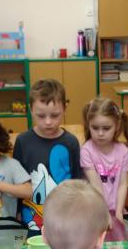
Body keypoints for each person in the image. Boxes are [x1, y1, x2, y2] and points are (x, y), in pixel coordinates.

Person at [12, 78, 82, 234]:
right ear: (31, 110)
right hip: (31, 219)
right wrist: (17, 212)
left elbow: (78, 181)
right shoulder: (23, 141)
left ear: (65, 108)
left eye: (55, 115)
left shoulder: (71, 142)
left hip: (65, 218)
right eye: (41, 116)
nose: (48, 122)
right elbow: (17, 181)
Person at [80, 98, 128, 241]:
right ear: (88, 125)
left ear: (117, 126)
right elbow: (96, 185)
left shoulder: (123, 151)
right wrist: (105, 213)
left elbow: (122, 184)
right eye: (95, 128)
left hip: (116, 212)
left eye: (106, 128)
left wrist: (119, 211)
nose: (100, 133)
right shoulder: (86, 151)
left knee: (119, 247)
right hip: (94, 212)